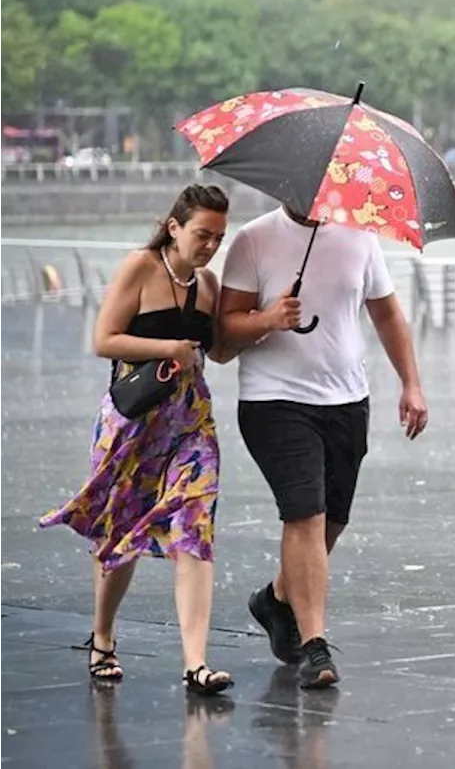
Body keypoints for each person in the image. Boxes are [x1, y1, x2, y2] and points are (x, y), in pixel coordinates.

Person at [217, 203, 428, 689]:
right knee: (304, 516)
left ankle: (275, 597)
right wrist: (268, 318)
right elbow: (223, 336)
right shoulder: (254, 238)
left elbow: (387, 313)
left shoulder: (361, 236)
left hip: (348, 399)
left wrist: (411, 383)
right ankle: (314, 646)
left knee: (332, 520)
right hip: (275, 400)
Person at [39, 184, 237, 695]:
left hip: (190, 422)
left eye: (218, 236)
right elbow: (104, 338)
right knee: (118, 533)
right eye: (202, 234)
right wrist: (168, 344)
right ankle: (102, 637)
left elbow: (219, 352)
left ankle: (196, 662)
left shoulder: (209, 286)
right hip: (132, 423)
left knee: (195, 527)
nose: (210, 245)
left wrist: (272, 320)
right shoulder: (140, 268)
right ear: (174, 227)